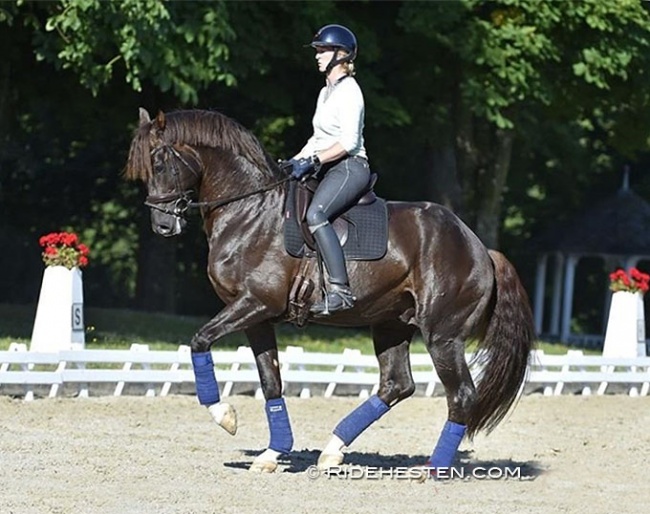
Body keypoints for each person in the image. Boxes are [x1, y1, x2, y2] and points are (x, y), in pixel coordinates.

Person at [287, 24, 372, 316]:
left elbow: (348, 142)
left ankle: (340, 291)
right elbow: (318, 138)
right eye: (318, 51)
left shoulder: (350, 91)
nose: (318, 56)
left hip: (350, 167)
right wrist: (293, 161)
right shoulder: (325, 93)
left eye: (323, 50)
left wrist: (314, 161)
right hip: (328, 164)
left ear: (341, 54)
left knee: (315, 214)